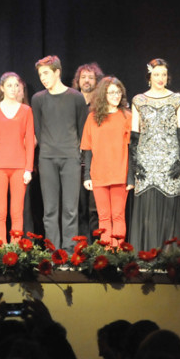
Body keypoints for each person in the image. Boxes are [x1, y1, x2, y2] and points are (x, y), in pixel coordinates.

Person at [129, 58, 180, 250]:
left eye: (163, 74)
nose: (160, 78)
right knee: (147, 210)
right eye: (156, 74)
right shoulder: (139, 100)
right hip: (146, 161)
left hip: (170, 160)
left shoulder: (177, 99)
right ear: (149, 76)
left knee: (168, 209)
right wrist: (135, 163)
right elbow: (135, 135)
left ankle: (168, 254)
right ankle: (146, 253)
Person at [31, 56, 87, 250]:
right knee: (50, 210)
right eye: (40, 75)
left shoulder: (76, 97)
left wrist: (74, 150)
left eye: (46, 73)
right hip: (47, 158)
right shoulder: (38, 99)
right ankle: (53, 251)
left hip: (70, 158)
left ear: (57, 72)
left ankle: (70, 253)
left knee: (70, 209)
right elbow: (38, 129)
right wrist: (48, 148)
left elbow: (83, 129)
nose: (43, 78)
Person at [80, 76, 133, 245]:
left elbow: (132, 150)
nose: (116, 96)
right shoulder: (93, 118)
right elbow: (87, 149)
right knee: (103, 217)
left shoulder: (127, 116)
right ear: (103, 95)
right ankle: (106, 255)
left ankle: (117, 253)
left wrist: (130, 178)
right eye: (111, 92)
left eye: (118, 92)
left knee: (117, 216)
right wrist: (87, 176)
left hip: (120, 174)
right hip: (99, 175)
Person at [0, 72, 35, 243]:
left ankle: (15, 248)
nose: (13, 89)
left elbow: (29, 141)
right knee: (0, 211)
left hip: (20, 167)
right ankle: (1, 248)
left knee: (17, 211)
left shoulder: (26, 111)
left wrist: (28, 169)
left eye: (16, 85)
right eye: (10, 85)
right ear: (2, 88)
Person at [72, 62, 103, 238]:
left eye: (90, 77)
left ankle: (97, 245)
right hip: (75, 161)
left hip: (95, 161)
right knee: (78, 207)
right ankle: (81, 245)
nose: (86, 80)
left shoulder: (99, 105)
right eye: (83, 77)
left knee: (95, 208)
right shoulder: (72, 101)